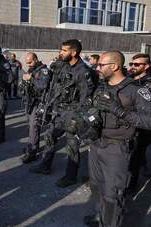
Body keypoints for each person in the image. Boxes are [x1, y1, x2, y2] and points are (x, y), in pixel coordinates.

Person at [84, 50, 151, 227]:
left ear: (114, 66)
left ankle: (110, 223)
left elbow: (148, 121)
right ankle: (100, 216)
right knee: (96, 186)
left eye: (101, 65)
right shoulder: (102, 86)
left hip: (117, 148)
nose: (97, 67)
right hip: (97, 142)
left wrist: (120, 111)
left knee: (112, 194)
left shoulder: (136, 90)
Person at [30, 39, 95, 188]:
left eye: (64, 50)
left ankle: (71, 176)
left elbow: (86, 99)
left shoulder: (83, 72)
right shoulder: (64, 66)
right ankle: (45, 166)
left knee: (72, 145)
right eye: (61, 50)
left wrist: (78, 119)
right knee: (49, 135)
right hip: (59, 111)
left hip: (73, 113)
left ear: (74, 52)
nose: (61, 53)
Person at [19, 52, 52, 164]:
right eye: (27, 63)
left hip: (39, 103)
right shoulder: (31, 70)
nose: (29, 65)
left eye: (30, 62)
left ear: (36, 59)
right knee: (30, 126)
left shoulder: (44, 71)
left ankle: (32, 152)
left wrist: (31, 78)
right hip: (30, 102)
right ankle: (33, 146)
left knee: (34, 127)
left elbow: (43, 86)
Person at [127, 53, 151, 192]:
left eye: (137, 64)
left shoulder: (148, 82)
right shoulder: (130, 79)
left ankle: (131, 185)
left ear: (146, 66)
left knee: (135, 155)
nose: (133, 67)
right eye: (132, 64)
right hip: (129, 121)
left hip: (143, 124)